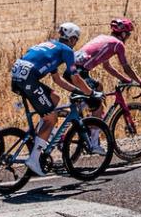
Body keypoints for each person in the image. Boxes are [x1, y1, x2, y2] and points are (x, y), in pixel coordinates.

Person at [11, 23, 100, 174]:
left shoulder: (52, 46)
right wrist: (90, 93)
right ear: (72, 39)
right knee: (51, 119)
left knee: (55, 98)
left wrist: (77, 91)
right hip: (29, 81)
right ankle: (34, 159)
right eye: (76, 40)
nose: (75, 43)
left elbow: (57, 80)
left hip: (18, 77)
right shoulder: (66, 50)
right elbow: (75, 76)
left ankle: (42, 135)